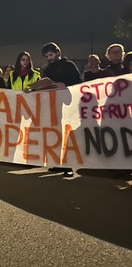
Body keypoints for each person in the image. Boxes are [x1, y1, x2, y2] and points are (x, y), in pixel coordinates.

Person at [40, 42, 81, 177]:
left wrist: (65, 85)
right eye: (46, 56)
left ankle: (69, 165)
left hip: (67, 104)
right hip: (53, 104)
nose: (49, 58)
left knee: (66, 135)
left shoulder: (69, 65)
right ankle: (58, 163)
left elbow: (79, 82)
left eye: (51, 55)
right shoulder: (47, 69)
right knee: (55, 134)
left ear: (58, 53)